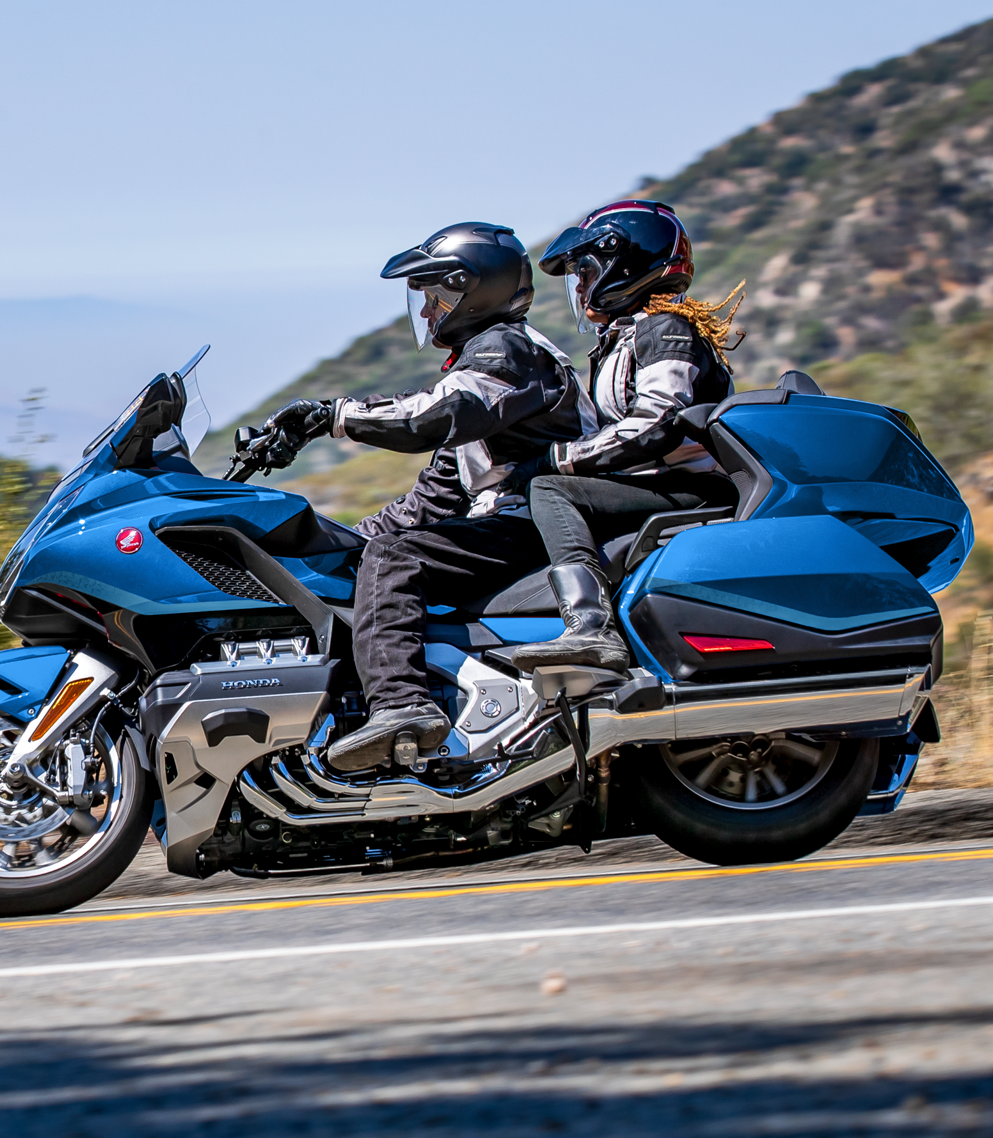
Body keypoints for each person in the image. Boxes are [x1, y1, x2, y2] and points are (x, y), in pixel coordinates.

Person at [262, 222, 596, 771]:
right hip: (515, 521)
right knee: (376, 551)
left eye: (434, 294)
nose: (424, 310)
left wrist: (334, 416)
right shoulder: (485, 373)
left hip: (538, 521)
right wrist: (335, 543)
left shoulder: (507, 352)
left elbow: (432, 416)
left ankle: (401, 706)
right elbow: (434, 499)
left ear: (475, 289)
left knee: (395, 558)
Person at [505, 200, 743, 674]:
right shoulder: (625, 337)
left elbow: (657, 423)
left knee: (550, 489)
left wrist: (557, 459)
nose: (580, 286)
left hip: (690, 487)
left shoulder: (666, 329)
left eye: (586, 271)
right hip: (659, 483)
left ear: (625, 264)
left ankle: (591, 627)